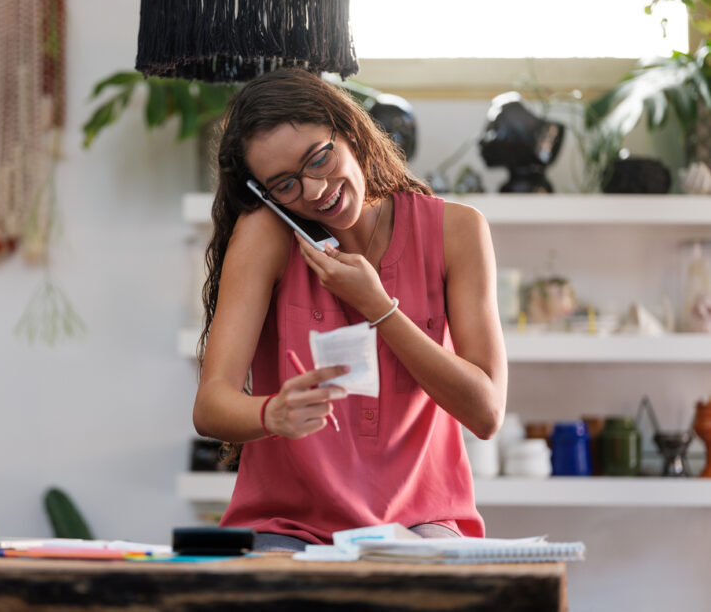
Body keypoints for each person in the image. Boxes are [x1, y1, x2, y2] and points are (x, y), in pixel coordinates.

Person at [192, 68, 507, 552]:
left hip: (423, 522)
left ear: (349, 129)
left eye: (319, 158)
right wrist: (272, 412)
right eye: (285, 185)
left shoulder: (458, 231)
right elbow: (211, 404)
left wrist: (378, 306)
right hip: (287, 527)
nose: (314, 191)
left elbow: (486, 413)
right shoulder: (267, 237)